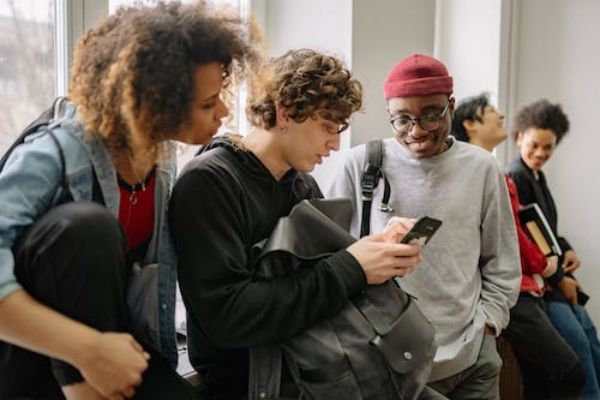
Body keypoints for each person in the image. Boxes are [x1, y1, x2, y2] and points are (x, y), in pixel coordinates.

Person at [0, 2, 256, 399]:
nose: (223, 111)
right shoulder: (55, 152)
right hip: (34, 354)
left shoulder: (160, 157)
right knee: (87, 228)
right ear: (151, 104)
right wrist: (88, 349)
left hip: (110, 341)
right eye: (208, 104)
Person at [169, 49, 436, 400]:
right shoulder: (208, 183)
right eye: (328, 127)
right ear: (285, 112)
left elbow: (322, 284)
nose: (335, 144)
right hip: (253, 386)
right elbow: (229, 316)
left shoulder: (301, 185)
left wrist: (377, 254)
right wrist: (353, 266)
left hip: (323, 374)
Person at [328, 54, 521, 400]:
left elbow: (502, 258)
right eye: (402, 119)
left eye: (431, 115)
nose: (416, 131)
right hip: (388, 359)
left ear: (451, 107)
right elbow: (328, 257)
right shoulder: (361, 165)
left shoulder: (482, 168)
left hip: (472, 358)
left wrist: (488, 325)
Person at [453, 93, 585, 399]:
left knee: (540, 379)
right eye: (491, 110)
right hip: (512, 291)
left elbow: (529, 228)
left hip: (523, 287)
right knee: (569, 373)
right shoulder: (481, 173)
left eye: (548, 147)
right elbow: (510, 235)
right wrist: (544, 265)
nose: (501, 115)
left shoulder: (493, 170)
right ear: (470, 124)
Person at [506, 99, 600, 399]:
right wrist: (561, 279)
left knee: (590, 339)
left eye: (548, 148)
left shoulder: (537, 176)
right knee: (580, 346)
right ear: (519, 137)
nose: (540, 153)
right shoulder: (516, 176)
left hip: (555, 278)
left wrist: (567, 250)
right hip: (543, 284)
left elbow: (547, 230)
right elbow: (528, 242)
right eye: (534, 145)